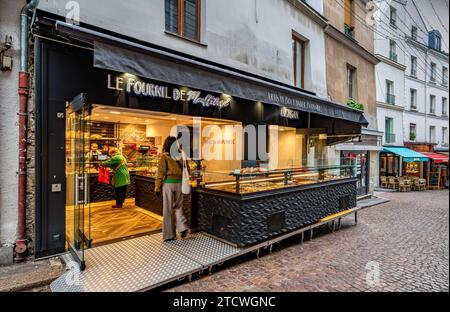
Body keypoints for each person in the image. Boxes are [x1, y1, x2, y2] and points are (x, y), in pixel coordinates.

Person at [155, 136, 188, 241]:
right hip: (180, 184)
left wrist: (157, 187)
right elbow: (187, 169)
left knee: (168, 209)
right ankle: (182, 227)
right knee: (178, 206)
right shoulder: (182, 155)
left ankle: (169, 235)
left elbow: (161, 173)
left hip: (168, 184)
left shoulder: (164, 157)